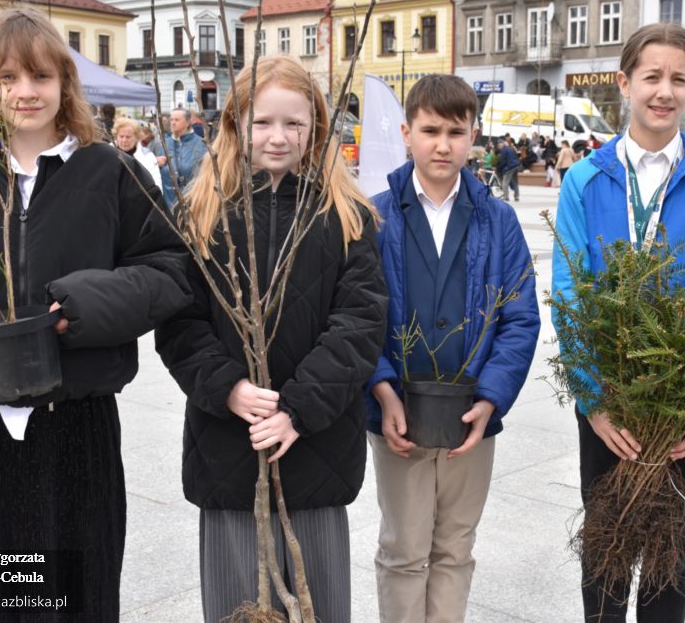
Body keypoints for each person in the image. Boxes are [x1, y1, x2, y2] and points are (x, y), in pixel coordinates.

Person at [0, 8, 191, 621]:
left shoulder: (111, 174)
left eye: (41, 76)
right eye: (7, 77)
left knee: (79, 599)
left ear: (64, 83)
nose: (26, 92)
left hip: (79, 427)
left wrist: (88, 304)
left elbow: (171, 271)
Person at [155, 55, 387, 622]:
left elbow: (359, 323)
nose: (278, 137)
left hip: (316, 449)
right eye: (262, 122)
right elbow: (180, 322)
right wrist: (228, 388)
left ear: (316, 128)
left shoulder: (344, 214)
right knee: (238, 603)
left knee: (317, 603)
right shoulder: (200, 213)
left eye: (294, 123)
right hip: (228, 449)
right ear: (235, 124)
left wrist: (297, 410)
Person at [552, 22, 685, 622]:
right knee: (606, 546)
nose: (664, 91)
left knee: (670, 548)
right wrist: (593, 401)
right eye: (652, 77)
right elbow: (569, 291)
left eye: (678, 79)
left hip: (683, 404)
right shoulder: (586, 179)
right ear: (625, 83)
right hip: (609, 401)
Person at [367, 73, 540, 623]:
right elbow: (356, 315)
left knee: (455, 546)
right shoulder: (376, 216)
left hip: (471, 413)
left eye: (455, 132)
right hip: (398, 411)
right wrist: (381, 387)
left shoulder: (498, 219)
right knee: (403, 548)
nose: (443, 145)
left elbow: (520, 317)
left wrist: (492, 396)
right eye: (430, 131)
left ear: (473, 136)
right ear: (407, 134)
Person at [162, 108, 207, 210]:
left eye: (177, 120)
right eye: (171, 119)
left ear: (188, 122)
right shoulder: (162, 144)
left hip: (192, 204)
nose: (173, 123)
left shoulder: (201, 144)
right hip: (167, 206)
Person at [114, 117, 162, 190]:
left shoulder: (148, 157)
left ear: (137, 137)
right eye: (121, 136)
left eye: (128, 137)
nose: (124, 140)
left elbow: (157, 186)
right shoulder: (108, 154)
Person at [496, 137, 521, 202]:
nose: (499, 146)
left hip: (510, 166)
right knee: (515, 182)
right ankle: (517, 196)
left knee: (505, 182)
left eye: (499, 144)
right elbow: (516, 157)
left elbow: (503, 161)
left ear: (502, 144)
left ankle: (506, 197)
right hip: (516, 165)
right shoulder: (511, 148)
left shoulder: (503, 150)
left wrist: (498, 167)